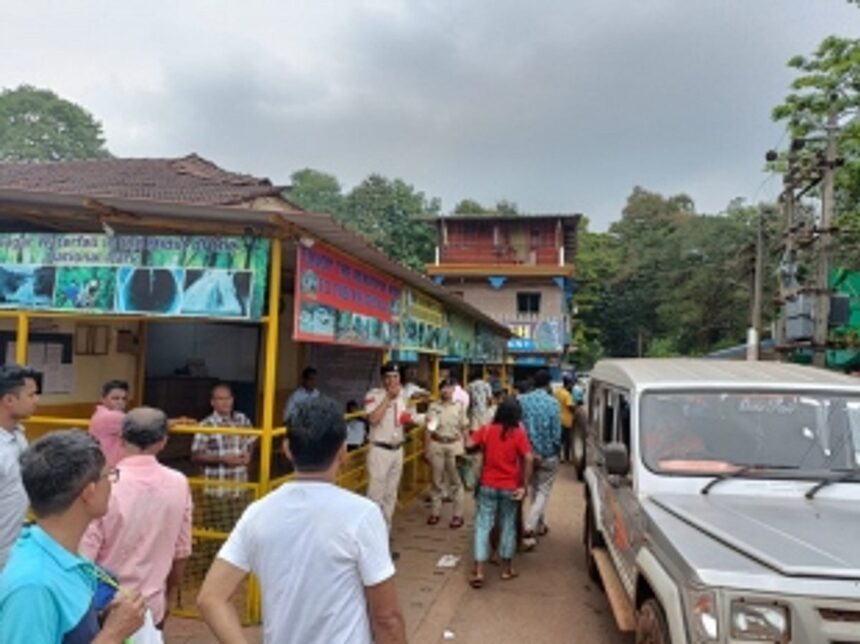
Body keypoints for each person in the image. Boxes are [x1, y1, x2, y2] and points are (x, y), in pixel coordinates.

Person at [197, 397, 406, 644]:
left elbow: (210, 598)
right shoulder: (362, 514)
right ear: (343, 451)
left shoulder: (258, 513)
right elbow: (387, 618)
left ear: (287, 449)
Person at [0, 430, 145, 643]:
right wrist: (113, 635)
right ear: (89, 492)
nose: (112, 484)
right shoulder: (33, 587)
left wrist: (102, 621)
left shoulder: (63, 556)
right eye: (108, 475)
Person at [81, 407, 193, 640]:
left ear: (121, 440)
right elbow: (181, 553)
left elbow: (84, 559)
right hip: (152, 606)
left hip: (105, 610)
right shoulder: (179, 483)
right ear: (163, 442)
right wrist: (167, 596)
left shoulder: (103, 484)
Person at [467, 397, 533, 587]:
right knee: (508, 526)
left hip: (487, 485)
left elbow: (469, 444)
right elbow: (528, 458)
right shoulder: (518, 433)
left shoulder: (487, 430)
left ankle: (479, 571)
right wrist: (524, 486)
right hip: (510, 487)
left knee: (482, 526)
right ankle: (506, 569)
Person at [364, 362, 423, 534]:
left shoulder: (403, 396)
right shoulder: (374, 395)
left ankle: (384, 536)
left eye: (395, 377)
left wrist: (420, 420)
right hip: (379, 450)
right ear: (382, 379)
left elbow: (404, 419)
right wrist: (388, 399)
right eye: (388, 377)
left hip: (397, 449)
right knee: (375, 496)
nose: (392, 381)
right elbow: (373, 419)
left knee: (391, 496)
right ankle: (370, 537)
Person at [192, 383, 256, 532]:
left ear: (233, 399)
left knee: (240, 529)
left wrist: (249, 455)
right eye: (220, 399)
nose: (225, 402)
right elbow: (195, 455)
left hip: (240, 487)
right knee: (216, 531)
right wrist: (223, 459)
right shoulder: (206, 425)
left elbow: (252, 440)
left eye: (228, 398)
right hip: (217, 490)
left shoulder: (242, 419)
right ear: (212, 402)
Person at [0, 364, 38, 570]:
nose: (37, 400)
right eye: (31, 395)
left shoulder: (18, 435)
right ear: (9, 400)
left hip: (13, 549)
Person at [518, 369, 562, 549]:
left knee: (531, 490)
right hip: (547, 454)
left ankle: (540, 524)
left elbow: (519, 427)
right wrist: (554, 450)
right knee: (542, 491)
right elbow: (557, 433)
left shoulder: (522, 401)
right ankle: (529, 526)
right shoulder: (553, 403)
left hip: (526, 454)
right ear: (548, 384)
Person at [424, 379, 469, 528]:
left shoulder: (459, 407)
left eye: (449, 388)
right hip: (437, 444)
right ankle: (435, 513)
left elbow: (464, 427)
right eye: (443, 388)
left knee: (456, 482)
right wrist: (426, 449)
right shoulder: (434, 407)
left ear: (453, 391)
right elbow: (429, 429)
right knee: (436, 481)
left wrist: (466, 446)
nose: (446, 391)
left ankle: (457, 515)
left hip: (454, 445)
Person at [89, 379, 130, 468]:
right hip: (109, 467)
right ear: (103, 399)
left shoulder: (100, 412)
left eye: (124, 398)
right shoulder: (110, 416)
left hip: (105, 465)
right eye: (115, 398)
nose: (120, 402)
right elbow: (144, 423)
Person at [554, 374, 576, 463]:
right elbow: (570, 407)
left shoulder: (557, 392)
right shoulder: (567, 394)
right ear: (569, 384)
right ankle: (567, 458)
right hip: (567, 421)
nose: (573, 386)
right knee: (568, 441)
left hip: (558, 419)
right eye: (572, 384)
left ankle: (559, 457)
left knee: (559, 440)